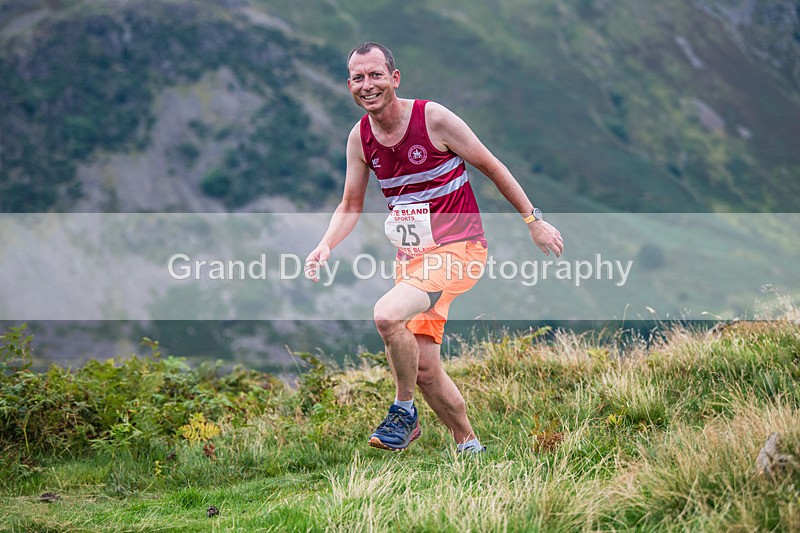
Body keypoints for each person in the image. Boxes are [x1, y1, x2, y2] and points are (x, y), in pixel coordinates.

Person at [304, 42, 563, 453]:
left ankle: (403, 412)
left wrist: (533, 220)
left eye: (375, 75)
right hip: (413, 259)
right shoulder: (360, 138)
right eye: (358, 78)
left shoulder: (434, 118)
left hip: (460, 250)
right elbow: (350, 204)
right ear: (349, 84)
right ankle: (469, 445)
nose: (367, 85)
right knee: (423, 367)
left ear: (395, 78)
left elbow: (492, 166)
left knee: (387, 316)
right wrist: (325, 244)